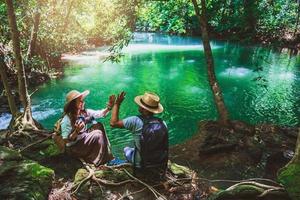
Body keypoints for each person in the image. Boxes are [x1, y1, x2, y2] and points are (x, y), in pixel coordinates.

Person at [110, 91, 168, 179]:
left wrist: (117, 104)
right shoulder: (163, 123)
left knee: (126, 149)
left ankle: (130, 165)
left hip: (142, 165)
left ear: (143, 108)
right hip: (160, 163)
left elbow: (113, 123)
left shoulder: (135, 121)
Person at [60, 89, 114, 166]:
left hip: (83, 139)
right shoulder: (66, 120)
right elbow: (66, 141)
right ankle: (97, 161)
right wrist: (76, 131)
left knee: (98, 125)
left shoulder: (84, 112)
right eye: (80, 101)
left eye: (83, 100)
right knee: (97, 134)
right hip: (75, 147)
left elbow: (100, 114)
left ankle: (107, 155)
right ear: (73, 104)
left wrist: (109, 107)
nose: (83, 102)